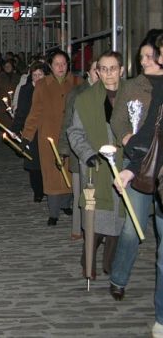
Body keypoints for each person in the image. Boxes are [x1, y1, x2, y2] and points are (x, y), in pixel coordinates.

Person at [107, 29, 163, 304]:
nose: (144, 61)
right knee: (133, 225)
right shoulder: (132, 86)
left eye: (149, 56)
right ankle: (119, 278)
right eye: (141, 57)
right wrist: (124, 135)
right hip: (137, 161)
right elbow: (118, 119)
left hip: (159, 163)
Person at [67, 52, 125, 279]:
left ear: (121, 70)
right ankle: (88, 262)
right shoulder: (86, 99)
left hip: (124, 166)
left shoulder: (133, 97)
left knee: (120, 223)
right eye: (104, 68)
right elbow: (75, 132)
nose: (109, 73)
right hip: (97, 167)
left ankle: (111, 264)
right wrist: (87, 154)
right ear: (97, 72)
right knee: (97, 222)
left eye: (113, 68)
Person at [21, 50, 80, 226]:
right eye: (57, 64)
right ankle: (53, 212)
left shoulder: (78, 83)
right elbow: (35, 113)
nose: (61, 67)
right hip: (49, 138)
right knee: (53, 175)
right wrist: (27, 136)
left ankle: (66, 204)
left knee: (70, 172)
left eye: (64, 63)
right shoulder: (42, 86)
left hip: (71, 137)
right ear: (50, 66)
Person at [58, 60, 99, 239]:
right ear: (88, 72)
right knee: (79, 191)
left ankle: (97, 228)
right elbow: (68, 122)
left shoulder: (110, 92)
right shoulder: (77, 93)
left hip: (100, 149)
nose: (98, 73)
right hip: (79, 148)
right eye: (95, 69)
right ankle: (77, 228)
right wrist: (63, 149)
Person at [12, 61, 49, 202]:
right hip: (31, 130)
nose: (38, 78)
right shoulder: (26, 90)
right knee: (34, 163)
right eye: (35, 75)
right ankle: (38, 191)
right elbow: (21, 111)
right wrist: (15, 129)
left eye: (41, 75)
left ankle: (48, 188)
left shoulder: (50, 89)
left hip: (46, 130)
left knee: (47, 162)